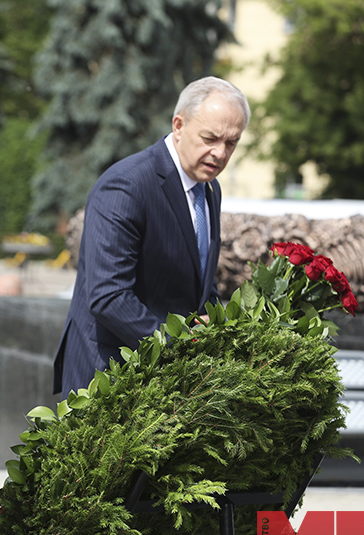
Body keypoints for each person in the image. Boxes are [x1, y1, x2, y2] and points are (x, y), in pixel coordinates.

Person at [53, 76, 250, 396]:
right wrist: (179, 348)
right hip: (109, 378)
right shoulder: (126, 185)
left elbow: (199, 286)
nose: (220, 153)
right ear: (178, 125)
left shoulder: (210, 190)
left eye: (231, 143)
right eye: (210, 138)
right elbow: (108, 296)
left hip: (169, 384)